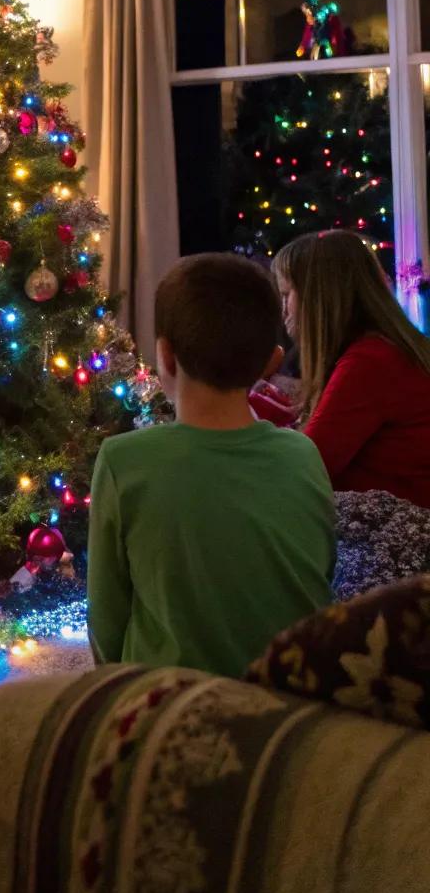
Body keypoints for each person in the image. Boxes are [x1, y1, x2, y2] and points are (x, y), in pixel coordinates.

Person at [88, 254, 335, 677]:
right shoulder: (303, 454)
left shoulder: (122, 460)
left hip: (168, 704)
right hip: (291, 697)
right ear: (270, 363)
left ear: (164, 357)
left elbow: (107, 621)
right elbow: (321, 572)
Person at [273, 230, 430, 507]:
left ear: (318, 298)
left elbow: (305, 467)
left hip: (400, 539)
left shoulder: (371, 362)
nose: (284, 309)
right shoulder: (383, 349)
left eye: (287, 294)